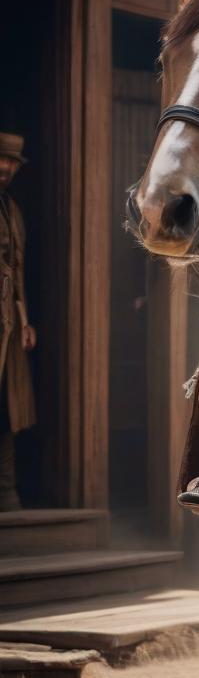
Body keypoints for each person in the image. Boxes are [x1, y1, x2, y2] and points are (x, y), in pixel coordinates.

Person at [0, 133, 37, 510]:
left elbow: (17, 270)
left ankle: (7, 491)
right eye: (1, 161)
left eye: (11, 163)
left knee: (8, 406)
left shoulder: (12, 209)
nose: (5, 168)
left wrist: (25, 321)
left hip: (8, 326)